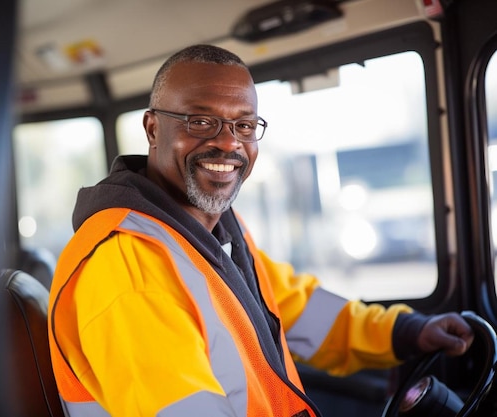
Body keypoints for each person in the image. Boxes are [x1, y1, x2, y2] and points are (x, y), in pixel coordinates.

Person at [48, 44, 474, 417]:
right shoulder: (129, 268)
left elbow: (295, 307)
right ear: (153, 128)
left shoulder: (206, 232)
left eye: (245, 125)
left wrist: (406, 332)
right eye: (200, 121)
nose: (229, 142)